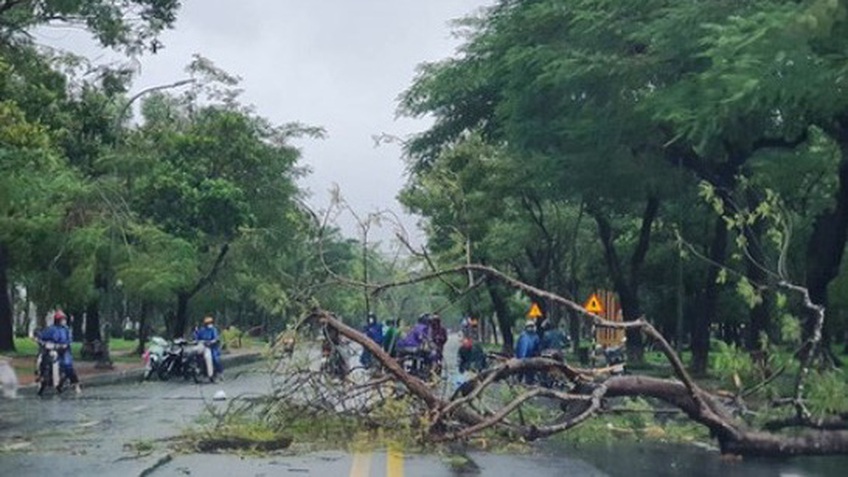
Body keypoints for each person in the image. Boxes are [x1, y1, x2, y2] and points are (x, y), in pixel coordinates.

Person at [38, 310, 81, 393]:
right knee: (43, 360)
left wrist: (65, 345)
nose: (63, 321)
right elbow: (42, 336)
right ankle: (41, 376)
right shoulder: (51, 329)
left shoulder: (66, 330)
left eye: (64, 319)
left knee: (67, 365)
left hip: (64, 351)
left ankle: (75, 383)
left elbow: (69, 340)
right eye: (61, 319)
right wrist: (40, 340)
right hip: (53, 349)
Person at [514, 320, 540, 384]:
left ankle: (528, 385)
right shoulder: (522, 336)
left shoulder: (535, 336)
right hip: (521, 358)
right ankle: (518, 384)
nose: (530, 328)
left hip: (531, 359)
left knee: (529, 375)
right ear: (526, 327)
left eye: (531, 326)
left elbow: (537, 348)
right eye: (529, 326)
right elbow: (517, 347)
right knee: (520, 373)